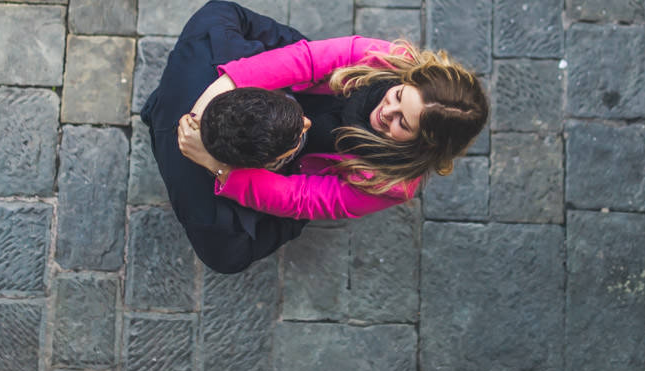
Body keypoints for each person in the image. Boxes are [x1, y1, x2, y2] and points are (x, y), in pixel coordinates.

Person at [177, 26, 489, 223]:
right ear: (407, 80)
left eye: (401, 123)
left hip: (292, 165)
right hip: (292, 90)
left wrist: (218, 166)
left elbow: (300, 198)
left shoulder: (390, 185)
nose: (386, 111)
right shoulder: (386, 58)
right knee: (218, 25)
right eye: (397, 96)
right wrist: (209, 103)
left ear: (423, 144)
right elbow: (307, 61)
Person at [140, 0, 312, 274]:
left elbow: (220, 9)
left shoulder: (210, 43)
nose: (308, 122)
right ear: (256, 166)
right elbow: (229, 259)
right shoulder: (205, 211)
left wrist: (296, 52)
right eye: (292, 146)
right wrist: (299, 211)